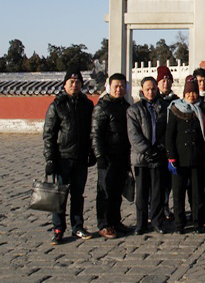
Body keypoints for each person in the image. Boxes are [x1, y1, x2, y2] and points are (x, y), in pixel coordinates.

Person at [43, 67, 95, 244]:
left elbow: (91, 132)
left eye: (78, 82)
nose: (75, 85)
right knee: (60, 194)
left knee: (78, 194)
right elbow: (49, 135)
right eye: (71, 82)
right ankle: (58, 228)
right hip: (63, 157)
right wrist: (50, 158)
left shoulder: (87, 105)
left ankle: (77, 226)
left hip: (80, 157)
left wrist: (91, 152)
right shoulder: (57, 105)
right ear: (65, 84)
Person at [165, 76, 205, 234]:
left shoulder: (202, 109)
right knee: (178, 194)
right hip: (179, 157)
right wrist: (171, 156)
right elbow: (170, 135)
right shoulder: (175, 109)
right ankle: (179, 224)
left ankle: (198, 222)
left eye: (194, 92)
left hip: (198, 157)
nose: (191, 95)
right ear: (184, 94)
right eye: (188, 93)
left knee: (197, 193)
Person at [92, 73, 132, 239]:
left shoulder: (126, 106)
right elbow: (95, 134)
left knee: (117, 190)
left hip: (122, 155)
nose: (118, 89)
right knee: (105, 191)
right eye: (116, 86)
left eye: (122, 86)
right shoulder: (102, 107)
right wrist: (99, 155)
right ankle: (104, 224)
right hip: (107, 156)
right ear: (109, 87)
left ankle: (115, 221)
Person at [127, 76, 168, 235]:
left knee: (158, 192)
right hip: (141, 157)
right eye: (147, 89)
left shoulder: (165, 107)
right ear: (142, 90)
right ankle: (141, 223)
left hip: (159, 155)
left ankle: (157, 221)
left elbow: (167, 130)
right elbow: (134, 134)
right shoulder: (133, 110)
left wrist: (160, 148)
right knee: (141, 193)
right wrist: (147, 150)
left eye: (153, 89)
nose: (151, 92)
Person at [156, 65, 178, 221]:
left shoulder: (176, 101)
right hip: (157, 146)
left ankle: (165, 206)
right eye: (162, 81)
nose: (165, 83)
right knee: (157, 182)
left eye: (168, 80)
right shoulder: (154, 100)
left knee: (168, 182)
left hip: (172, 146)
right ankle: (155, 209)